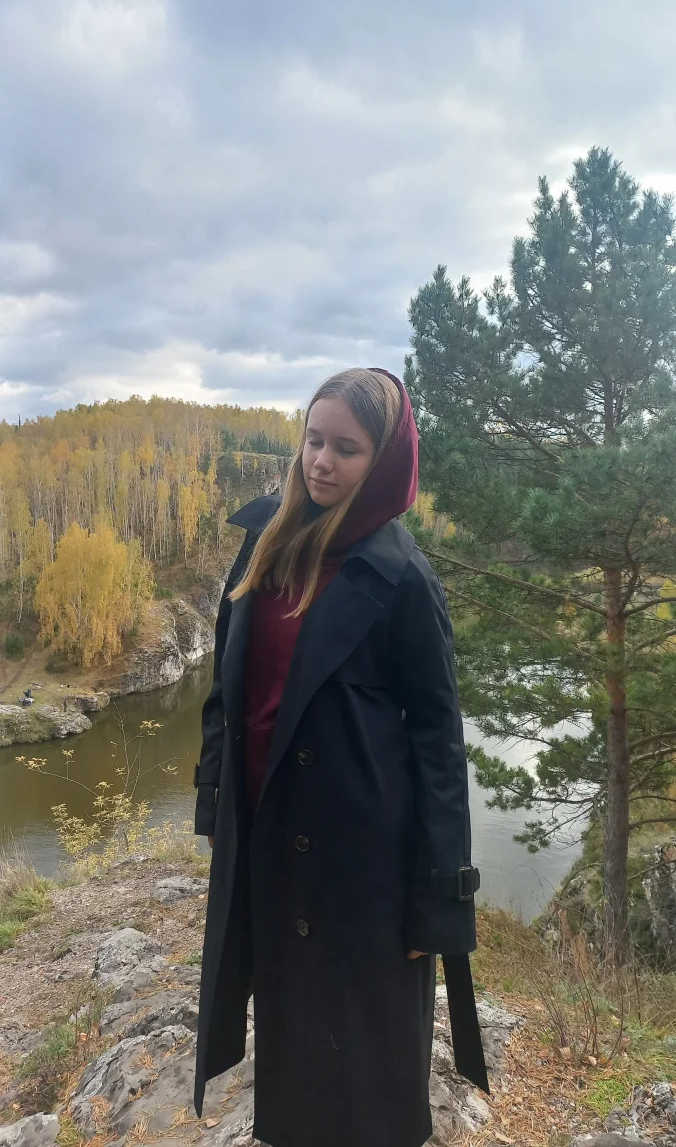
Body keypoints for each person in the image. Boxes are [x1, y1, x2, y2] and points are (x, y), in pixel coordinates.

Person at [193, 367, 486, 1147]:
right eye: (313, 440)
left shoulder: (401, 577)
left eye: (346, 449)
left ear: (383, 460)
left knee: (364, 1047)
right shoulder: (265, 540)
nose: (321, 462)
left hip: (364, 858)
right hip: (267, 831)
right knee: (289, 1020)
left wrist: (437, 896)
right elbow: (225, 688)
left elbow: (438, 741)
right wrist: (215, 804)